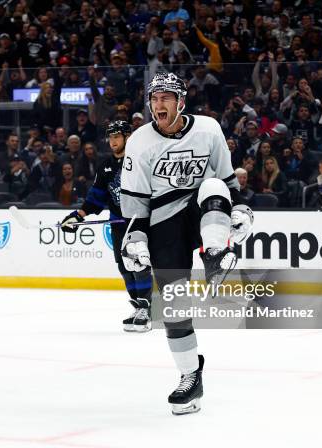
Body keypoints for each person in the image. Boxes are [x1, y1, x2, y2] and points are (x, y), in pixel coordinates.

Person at [119, 72, 254, 415]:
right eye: (154, 98)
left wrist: (239, 210)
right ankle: (190, 376)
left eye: (166, 97)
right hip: (163, 223)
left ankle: (214, 255)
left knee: (211, 187)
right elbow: (135, 205)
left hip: (199, 209)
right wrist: (134, 239)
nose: (158, 104)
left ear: (181, 102)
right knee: (175, 309)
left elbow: (226, 180)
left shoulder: (208, 129)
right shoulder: (138, 141)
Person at [60, 121, 153, 332]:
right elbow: (97, 198)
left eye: (117, 137)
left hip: (139, 222)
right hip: (118, 222)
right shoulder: (105, 166)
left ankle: (147, 309)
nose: (112, 142)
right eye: (110, 137)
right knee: (124, 266)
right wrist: (78, 215)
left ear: (128, 137)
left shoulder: (142, 162)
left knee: (137, 262)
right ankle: (139, 305)